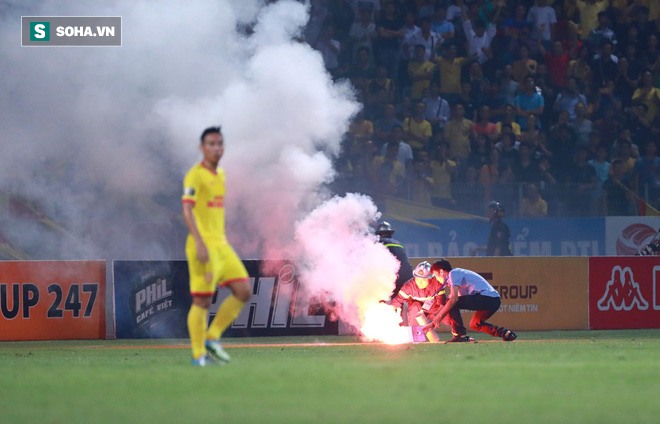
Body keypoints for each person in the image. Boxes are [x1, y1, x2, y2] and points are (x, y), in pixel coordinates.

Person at [182, 127, 252, 366]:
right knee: (202, 301)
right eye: (211, 144)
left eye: (220, 143)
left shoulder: (220, 174)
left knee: (243, 291)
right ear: (202, 148)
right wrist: (200, 242)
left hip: (222, 245)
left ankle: (212, 337)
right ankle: (198, 356)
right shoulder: (194, 175)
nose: (216, 148)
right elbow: (187, 209)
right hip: (203, 245)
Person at [424, 259, 517, 342]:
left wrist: (439, 317)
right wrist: (434, 319)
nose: (436, 278)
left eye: (435, 275)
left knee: (452, 302)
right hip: (494, 300)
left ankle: (460, 335)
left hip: (487, 298)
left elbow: (453, 300)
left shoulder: (453, 273)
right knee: (475, 324)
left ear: (441, 271)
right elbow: (449, 303)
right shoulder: (456, 280)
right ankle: (506, 333)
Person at [389, 261, 447, 341]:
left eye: (423, 280)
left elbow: (442, 304)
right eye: (417, 279)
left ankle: (459, 335)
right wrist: (387, 314)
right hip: (417, 312)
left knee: (451, 312)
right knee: (415, 306)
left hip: (434, 310)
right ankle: (416, 337)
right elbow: (396, 302)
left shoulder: (438, 285)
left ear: (430, 278)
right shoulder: (408, 287)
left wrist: (437, 316)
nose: (420, 282)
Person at [375, 221, 414, 301]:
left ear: (379, 234)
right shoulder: (399, 244)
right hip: (408, 277)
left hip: (393, 277)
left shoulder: (378, 244)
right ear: (391, 233)